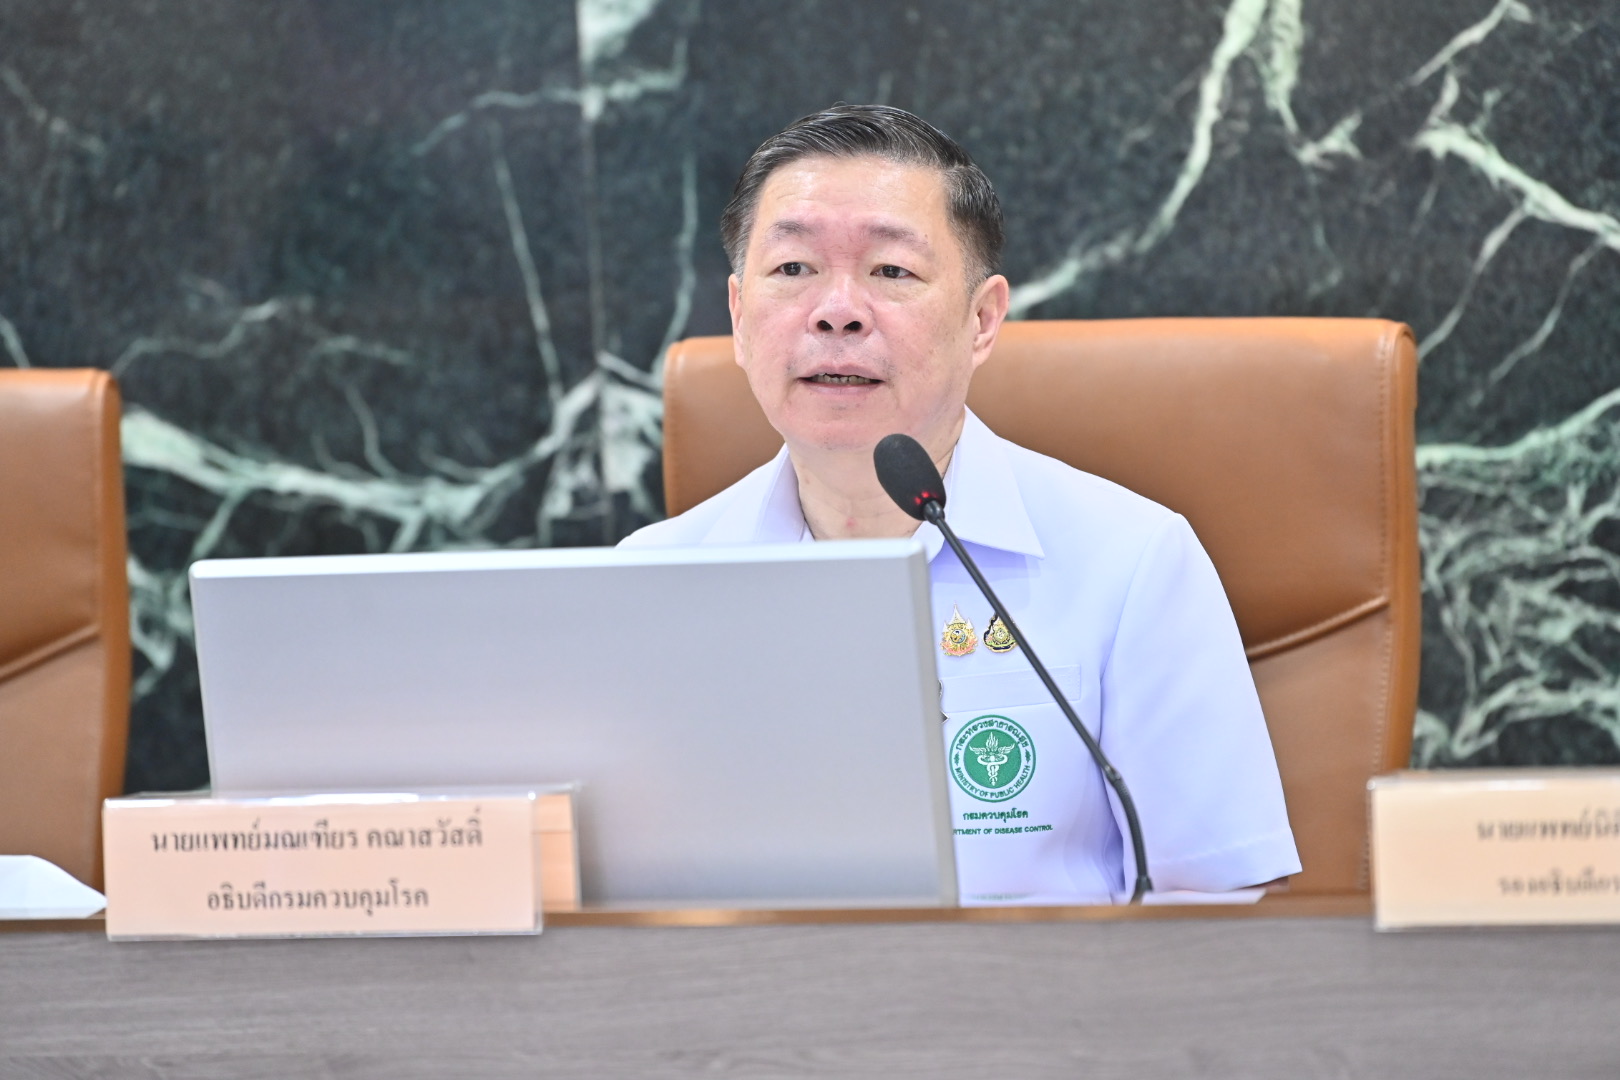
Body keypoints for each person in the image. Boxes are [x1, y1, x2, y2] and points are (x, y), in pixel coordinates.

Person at [620, 104, 1300, 904]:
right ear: (739, 318)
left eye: (891, 272)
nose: (837, 310)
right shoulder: (651, 581)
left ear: (982, 320)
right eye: (793, 268)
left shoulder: (1132, 562)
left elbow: (1217, 918)